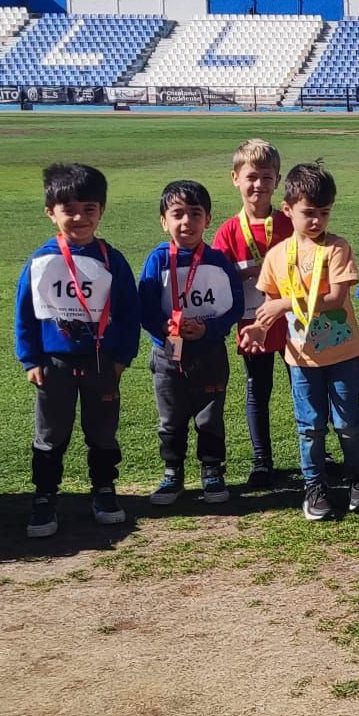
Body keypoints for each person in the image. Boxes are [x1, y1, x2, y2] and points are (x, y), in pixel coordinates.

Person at [14, 162, 140, 538]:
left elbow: (129, 311)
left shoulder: (111, 259)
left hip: (102, 361)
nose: (80, 218)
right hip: (54, 363)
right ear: (51, 213)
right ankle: (44, 496)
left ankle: (103, 490)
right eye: (69, 209)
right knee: (51, 433)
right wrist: (30, 359)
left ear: (101, 210)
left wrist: (123, 358)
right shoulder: (41, 261)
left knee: (102, 432)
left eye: (89, 209)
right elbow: (24, 312)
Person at [240, 161, 359, 522]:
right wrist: (259, 329)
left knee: (348, 423)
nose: (316, 221)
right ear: (288, 210)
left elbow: (332, 298)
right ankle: (314, 487)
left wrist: (285, 303)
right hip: (300, 359)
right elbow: (268, 306)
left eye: (324, 213)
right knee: (310, 426)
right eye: (308, 213)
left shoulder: (337, 248)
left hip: (344, 354)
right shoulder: (277, 256)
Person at [139, 180, 241, 507]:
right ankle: (172, 473)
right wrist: (166, 328)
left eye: (195, 214)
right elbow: (145, 307)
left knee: (209, 417)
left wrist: (209, 330)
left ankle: (212, 470)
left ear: (207, 219)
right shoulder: (157, 261)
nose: (186, 222)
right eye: (177, 214)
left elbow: (233, 306)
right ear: (163, 221)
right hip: (168, 353)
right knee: (170, 417)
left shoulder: (218, 261)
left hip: (209, 352)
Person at [209, 138, 291, 489]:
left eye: (267, 177)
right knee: (258, 387)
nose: (259, 185)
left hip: (292, 321)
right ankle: (262, 459)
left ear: (278, 180)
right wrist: (246, 272)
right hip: (251, 323)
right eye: (252, 177)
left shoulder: (289, 223)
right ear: (236, 178)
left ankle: (316, 452)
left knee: (303, 388)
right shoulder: (228, 231)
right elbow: (215, 277)